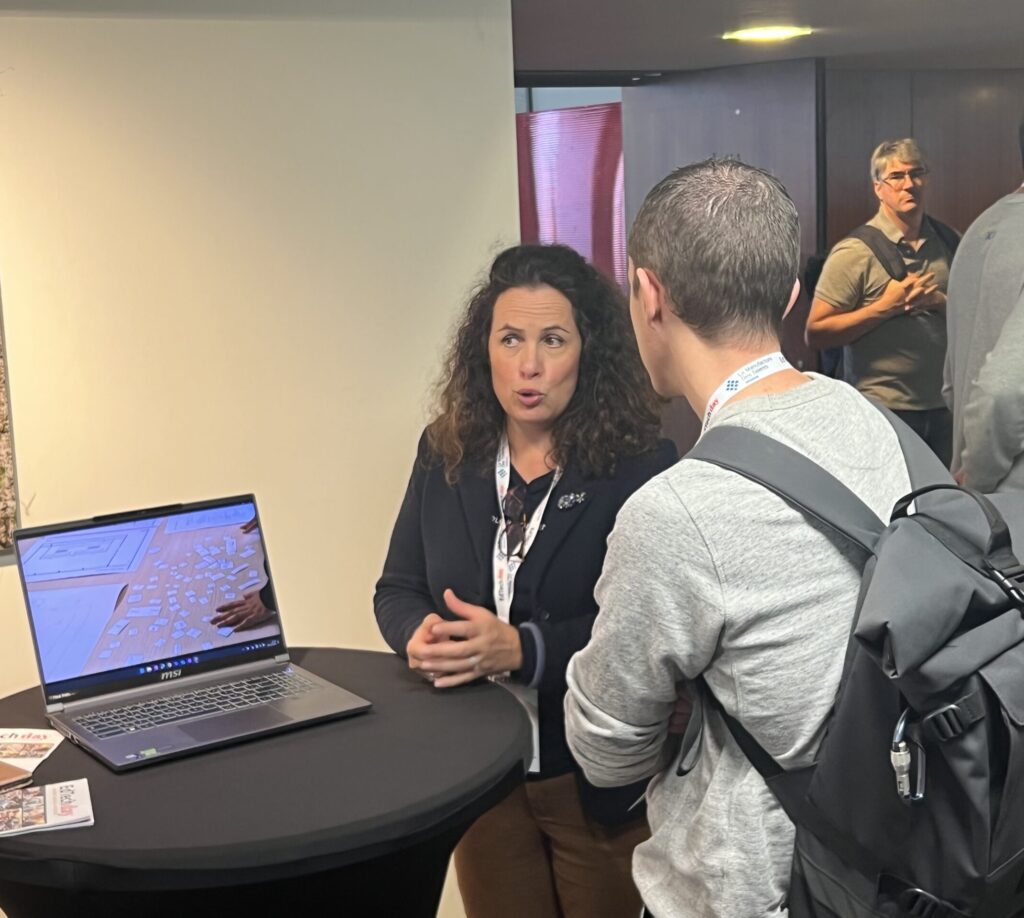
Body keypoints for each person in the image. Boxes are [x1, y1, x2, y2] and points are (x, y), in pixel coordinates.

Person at [564, 159, 912, 917]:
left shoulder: (677, 512)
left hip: (756, 889)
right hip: (902, 860)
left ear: (648, 293)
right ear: (790, 294)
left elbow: (605, 753)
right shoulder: (880, 427)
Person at [374, 243, 676, 918]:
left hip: (592, 783)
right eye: (511, 338)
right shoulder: (447, 451)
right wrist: (416, 636)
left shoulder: (638, 467)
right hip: (480, 776)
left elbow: (647, 632)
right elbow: (396, 588)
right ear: (485, 349)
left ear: (587, 353)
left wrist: (524, 650)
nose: (529, 365)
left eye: (553, 340)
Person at [806, 138, 957, 464]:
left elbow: (971, 316)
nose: (910, 185)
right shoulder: (853, 252)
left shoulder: (948, 241)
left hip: (945, 407)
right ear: (879, 188)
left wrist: (939, 301)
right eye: (897, 177)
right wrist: (885, 308)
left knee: (945, 508)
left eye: (917, 174)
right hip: (883, 410)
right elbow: (816, 333)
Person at [943, 119, 1024, 491]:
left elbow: (950, 383)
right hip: (1007, 491)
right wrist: (978, 473)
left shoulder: (978, 228)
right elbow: (1003, 390)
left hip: (976, 490)